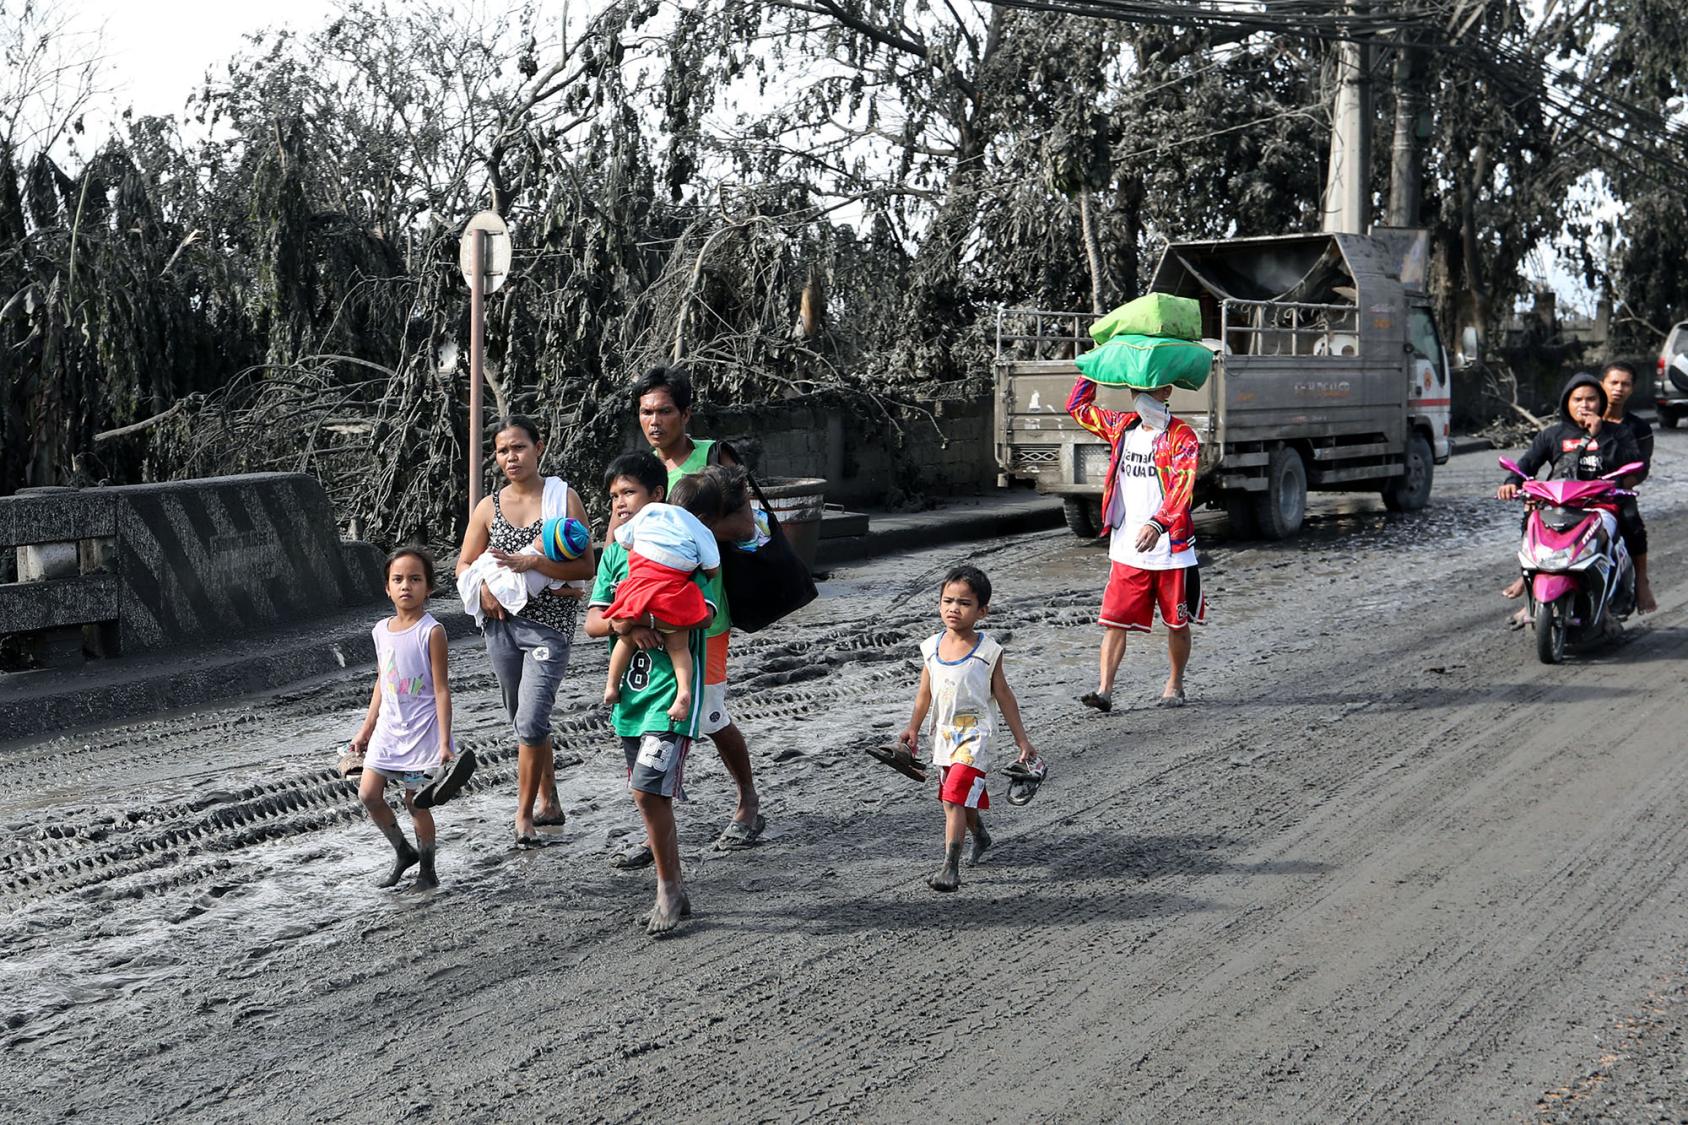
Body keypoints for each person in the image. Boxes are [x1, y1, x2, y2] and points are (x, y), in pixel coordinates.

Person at [613, 365, 763, 852]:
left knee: (709, 715)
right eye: (645, 412)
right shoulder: (642, 471)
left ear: (686, 413)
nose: (653, 421)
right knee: (649, 718)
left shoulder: (709, 458)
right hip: (643, 619)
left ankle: (747, 802)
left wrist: (686, 533)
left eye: (664, 411)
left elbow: (747, 527)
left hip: (703, 617)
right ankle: (655, 830)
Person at [585, 452, 712, 934]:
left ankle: (668, 889)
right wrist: (625, 624)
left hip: (671, 697)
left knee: (646, 790)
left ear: (657, 497)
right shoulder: (615, 555)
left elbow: (701, 610)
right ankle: (673, 884)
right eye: (614, 495)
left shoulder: (685, 553)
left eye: (629, 493)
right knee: (649, 796)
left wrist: (645, 620)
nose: (619, 503)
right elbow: (597, 623)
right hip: (632, 701)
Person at [454, 416, 594, 846]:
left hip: (549, 628)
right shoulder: (487, 507)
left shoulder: (562, 497)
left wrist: (534, 564)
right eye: (502, 451)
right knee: (522, 719)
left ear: (539, 447)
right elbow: (462, 564)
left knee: (531, 722)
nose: (510, 457)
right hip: (499, 627)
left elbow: (586, 565)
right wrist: (483, 591)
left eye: (518, 447)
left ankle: (523, 815)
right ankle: (549, 799)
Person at [896, 566, 1040, 893]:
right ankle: (981, 836)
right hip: (944, 738)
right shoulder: (931, 648)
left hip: (976, 737)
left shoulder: (989, 652)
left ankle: (950, 867)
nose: (953, 608)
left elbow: (1004, 695)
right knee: (958, 800)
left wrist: (1023, 741)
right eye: (947, 601)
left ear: (982, 611)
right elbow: (924, 694)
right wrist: (913, 729)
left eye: (964, 603)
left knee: (954, 797)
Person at [1067, 375, 1205, 712]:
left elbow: (1182, 487)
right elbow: (1077, 408)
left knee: (1177, 622)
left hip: (1171, 550)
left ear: (1167, 392)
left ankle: (1175, 684)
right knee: (1115, 621)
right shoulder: (1122, 427)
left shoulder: (1181, 436)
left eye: (1148, 389)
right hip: (1128, 548)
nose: (1138, 396)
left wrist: (1159, 524)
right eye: (1135, 389)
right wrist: (1092, 371)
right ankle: (1104, 690)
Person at [348, 547, 454, 890]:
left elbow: (441, 689)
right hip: (388, 730)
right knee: (368, 794)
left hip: (421, 731)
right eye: (398, 579)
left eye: (415, 579)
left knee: (415, 802)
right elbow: (383, 680)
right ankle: (402, 850)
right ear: (387, 588)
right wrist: (366, 729)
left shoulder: (431, 631)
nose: (406, 585)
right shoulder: (381, 631)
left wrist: (444, 742)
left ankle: (427, 868)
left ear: (428, 587)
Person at [1498, 373, 1644, 617]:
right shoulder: (1552, 435)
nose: (1584, 405)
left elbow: (1631, 461)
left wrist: (1600, 434)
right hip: (1559, 503)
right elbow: (1527, 464)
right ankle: (1529, 578)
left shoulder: (1617, 433)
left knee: (1628, 527)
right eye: (1578, 399)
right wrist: (1511, 482)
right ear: (1567, 402)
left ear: (1601, 402)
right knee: (1532, 518)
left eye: (1591, 399)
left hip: (1600, 505)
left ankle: (1636, 587)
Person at [602, 472, 723, 722]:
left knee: (625, 636)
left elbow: (623, 539)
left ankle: (612, 685)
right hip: (674, 589)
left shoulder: (651, 512)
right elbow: (712, 567)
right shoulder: (700, 528)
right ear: (706, 517)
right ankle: (684, 692)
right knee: (679, 647)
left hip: (640, 584)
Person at [1601, 361, 1657, 614]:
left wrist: (1617, 486)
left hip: (1616, 492)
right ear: (1602, 383)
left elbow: (1641, 469)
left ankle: (1641, 581)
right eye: (1613, 382)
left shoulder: (1639, 428)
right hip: (1576, 491)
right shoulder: (1582, 416)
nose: (1618, 389)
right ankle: (1528, 584)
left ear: (1632, 389)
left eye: (1625, 384)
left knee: (1632, 522)